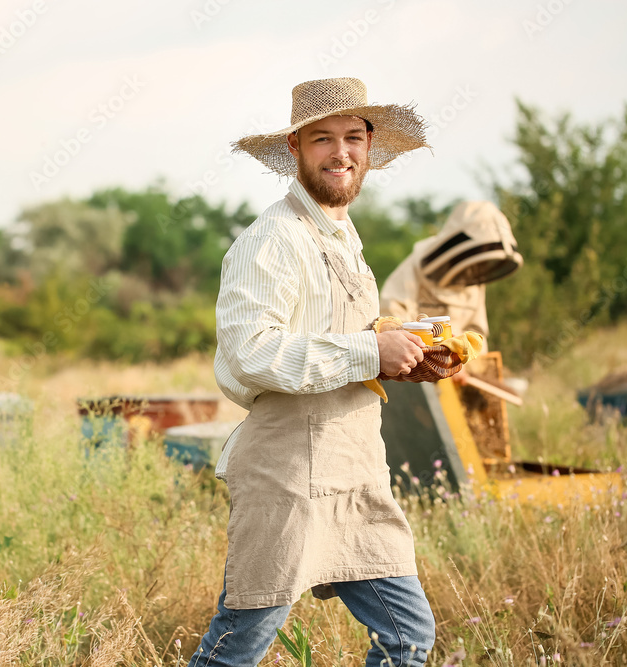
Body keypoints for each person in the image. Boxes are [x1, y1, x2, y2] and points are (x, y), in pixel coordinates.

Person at [189, 77, 443, 667]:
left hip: (351, 471)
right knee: (235, 651)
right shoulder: (274, 238)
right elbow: (251, 352)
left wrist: (399, 354)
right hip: (287, 479)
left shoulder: (341, 234)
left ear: (370, 147)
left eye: (353, 137)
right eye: (323, 139)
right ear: (295, 147)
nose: (341, 152)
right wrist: (367, 353)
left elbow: (337, 341)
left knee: (408, 637)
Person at [379, 200, 523, 349]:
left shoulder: (474, 278)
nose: (478, 268)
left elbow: (477, 334)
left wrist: (465, 361)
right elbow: (391, 322)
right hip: (420, 364)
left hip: (460, 367)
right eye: (482, 249)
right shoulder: (412, 269)